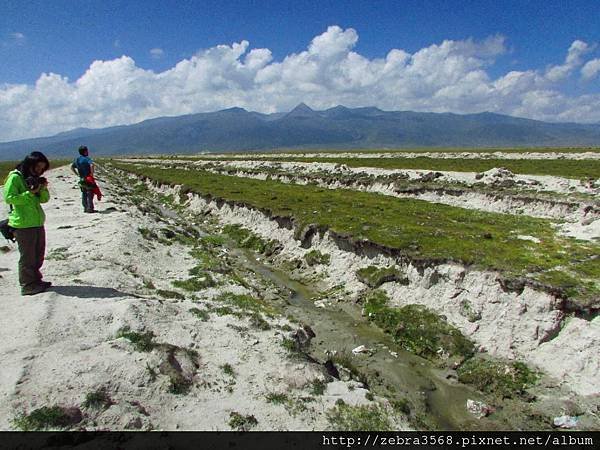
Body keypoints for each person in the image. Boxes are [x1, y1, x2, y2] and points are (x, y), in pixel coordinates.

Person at [3, 151, 52, 295]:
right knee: (28, 256)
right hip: (23, 224)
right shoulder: (15, 177)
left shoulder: (33, 179)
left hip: (36, 222)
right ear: (29, 164)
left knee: (38, 254)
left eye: (42, 168)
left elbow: (44, 199)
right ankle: (27, 285)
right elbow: (9, 198)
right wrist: (29, 194)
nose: (39, 171)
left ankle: (36, 280)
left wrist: (42, 189)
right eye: (37, 167)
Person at [71, 145, 96, 213]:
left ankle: (85, 208)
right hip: (88, 178)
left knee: (84, 193)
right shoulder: (87, 159)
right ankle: (90, 208)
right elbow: (92, 165)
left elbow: (72, 167)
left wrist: (77, 174)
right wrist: (92, 173)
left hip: (81, 179)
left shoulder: (77, 159)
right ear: (85, 152)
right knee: (90, 193)